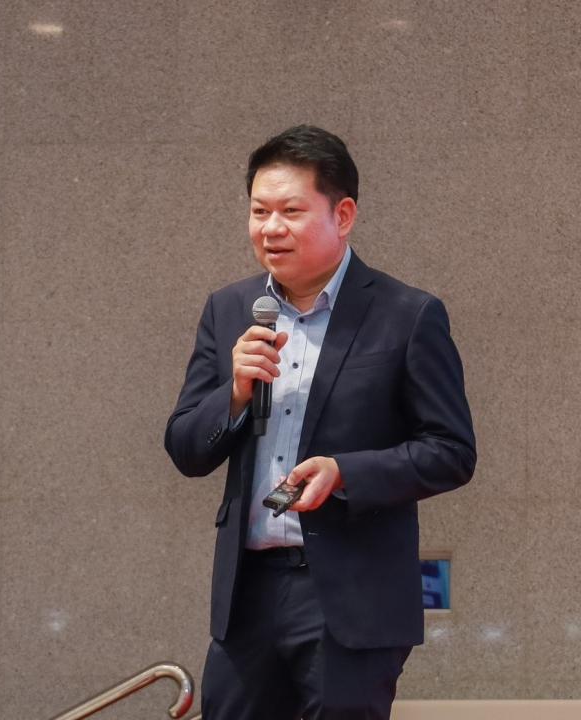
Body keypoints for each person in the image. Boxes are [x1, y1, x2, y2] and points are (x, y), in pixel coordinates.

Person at [164, 125, 476, 719]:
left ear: (344, 214)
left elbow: (451, 450)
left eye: (290, 211)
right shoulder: (230, 310)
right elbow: (184, 447)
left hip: (350, 599)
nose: (270, 228)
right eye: (259, 211)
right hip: (247, 594)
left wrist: (345, 472)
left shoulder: (406, 315)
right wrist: (234, 394)